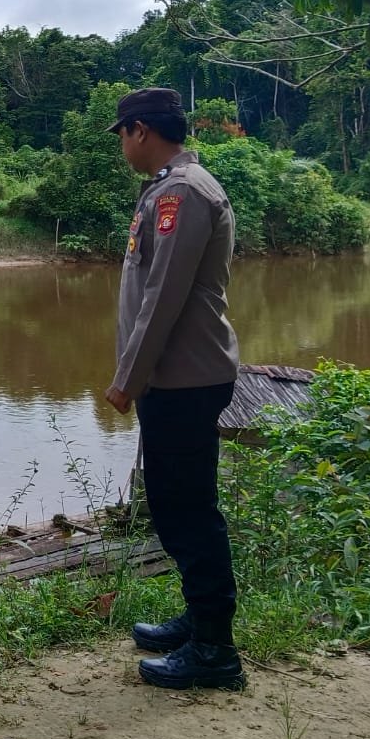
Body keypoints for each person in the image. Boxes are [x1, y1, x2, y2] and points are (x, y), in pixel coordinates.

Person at [101, 87, 245, 691]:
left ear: (140, 130)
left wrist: (127, 379)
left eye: (122, 134)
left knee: (187, 508)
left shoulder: (181, 193)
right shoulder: (168, 188)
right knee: (174, 502)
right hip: (175, 377)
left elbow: (164, 297)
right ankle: (198, 620)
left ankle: (214, 650)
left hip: (183, 377)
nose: (122, 146)